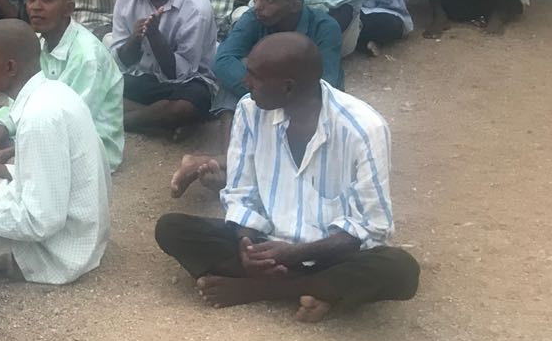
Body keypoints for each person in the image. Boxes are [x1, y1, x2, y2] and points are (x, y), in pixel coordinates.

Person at [154, 33, 419, 322]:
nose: (245, 82)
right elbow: (242, 191)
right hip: (266, 244)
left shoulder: (363, 129)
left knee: (400, 269)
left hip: (333, 255)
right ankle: (315, 290)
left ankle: (260, 289)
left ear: (288, 87)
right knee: (171, 228)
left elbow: (372, 226)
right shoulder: (250, 110)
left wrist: (294, 254)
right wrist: (247, 245)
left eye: (255, 76)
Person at [0, 20, 110, 284]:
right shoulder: (53, 91)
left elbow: (41, 221)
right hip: (66, 225)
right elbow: (56, 177)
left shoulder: (39, 118)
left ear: (10, 67)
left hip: (54, 251)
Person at [0, 0, 125, 173]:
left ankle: (16, 159)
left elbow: (71, 122)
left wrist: (10, 152)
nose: (35, 7)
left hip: (86, 147)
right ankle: (10, 150)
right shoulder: (39, 42)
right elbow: (22, 100)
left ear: (68, 9)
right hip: (42, 123)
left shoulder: (87, 55)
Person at [108, 0, 217, 133]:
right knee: (104, 85)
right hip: (141, 78)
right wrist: (135, 39)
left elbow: (180, 75)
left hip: (185, 84)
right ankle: (160, 120)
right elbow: (121, 62)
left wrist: (155, 37)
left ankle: (120, 122)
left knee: (186, 106)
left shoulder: (196, 7)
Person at [214, 0, 343, 100]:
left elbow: (326, 82)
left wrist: (278, 98)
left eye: (269, 0)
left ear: (295, 6)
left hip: (302, 100)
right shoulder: (253, 17)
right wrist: (267, 94)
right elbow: (223, 60)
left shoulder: (324, 27)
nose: (257, 6)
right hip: (263, 94)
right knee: (239, 69)